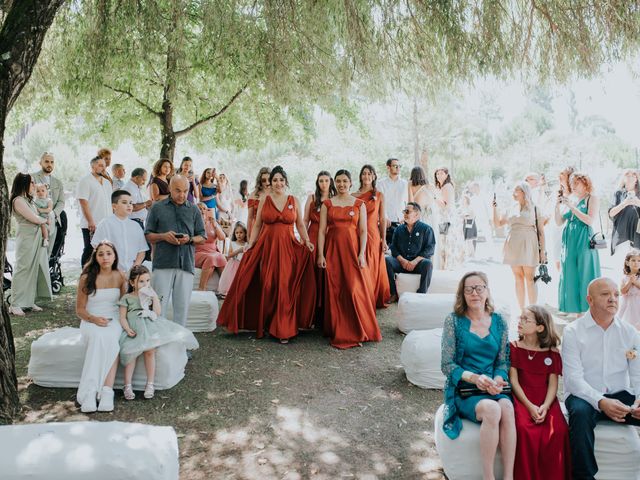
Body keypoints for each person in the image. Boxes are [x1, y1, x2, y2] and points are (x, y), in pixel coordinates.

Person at [218, 166, 315, 343]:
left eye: (281, 180)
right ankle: (266, 322)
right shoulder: (265, 199)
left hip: (287, 247)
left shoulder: (294, 200)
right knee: (268, 284)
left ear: (286, 182)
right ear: (271, 182)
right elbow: (257, 225)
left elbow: (300, 224)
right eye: (275, 180)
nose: (278, 183)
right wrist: (250, 243)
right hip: (267, 246)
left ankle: (282, 329)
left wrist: (307, 240)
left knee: (284, 285)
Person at [440, 271, 515, 480]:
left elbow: (503, 361)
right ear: (462, 294)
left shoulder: (499, 321)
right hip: (466, 388)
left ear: (487, 291)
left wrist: (499, 379)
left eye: (479, 287)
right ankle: (488, 477)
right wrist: (474, 378)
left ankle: (509, 476)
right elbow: (447, 364)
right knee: (492, 410)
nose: (475, 293)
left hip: (493, 385)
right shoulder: (453, 321)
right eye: (469, 289)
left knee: (507, 408)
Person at [563, 277, 640, 479]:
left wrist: (639, 399)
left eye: (615, 294)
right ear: (590, 299)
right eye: (605, 294)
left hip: (622, 396)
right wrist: (601, 401)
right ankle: (584, 477)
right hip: (585, 396)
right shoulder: (573, 331)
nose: (613, 299)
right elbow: (573, 379)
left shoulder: (630, 333)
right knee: (579, 414)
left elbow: (637, 373)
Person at [317, 169, 382, 349]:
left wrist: (362, 253)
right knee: (336, 290)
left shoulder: (359, 204)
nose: (341, 184)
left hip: (352, 251)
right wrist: (321, 254)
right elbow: (322, 231)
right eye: (338, 181)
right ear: (334, 183)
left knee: (353, 289)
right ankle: (338, 329)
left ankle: (358, 329)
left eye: (345, 181)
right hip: (333, 251)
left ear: (351, 183)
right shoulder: (327, 204)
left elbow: (363, 231)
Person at [118, 265, 198, 401]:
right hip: (134, 329)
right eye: (141, 281)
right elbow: (122, 317)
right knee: (131, 353)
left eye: (148, 281)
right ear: (132, 282)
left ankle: (150, 384)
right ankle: (127, 385)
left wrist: (154, 297)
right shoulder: (127, 298)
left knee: (150, 351)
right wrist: (127, 329)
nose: (146, 284)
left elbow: (157, 313)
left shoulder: (150, 294)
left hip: (149, 326)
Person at [509, 305, 570, 480]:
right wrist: (529, 407)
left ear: (540, 327)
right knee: (524, 430)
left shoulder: (552, 353)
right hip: (522, 398)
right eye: (520, 318)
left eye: (525, 319)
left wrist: (545, 405)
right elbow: (514, 381)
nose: (520, 322)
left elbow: (553, 385)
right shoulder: (513, 347)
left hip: (546, 399)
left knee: (559, 430)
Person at [145, 175, 206, 328]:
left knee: (182, 308)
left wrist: (190, 239)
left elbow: (203, 236)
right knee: (159, 307)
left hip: (185, 263)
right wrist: (163, 236)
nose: (182, 195)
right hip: (163, 263)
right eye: (178, 191)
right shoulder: (157, 207)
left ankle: (179, 346)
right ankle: (159, 345)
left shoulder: (193, 209)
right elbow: (148, 235)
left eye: (186, 191)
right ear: (170, 189)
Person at [75, 241, 127, 413]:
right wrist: (93, 319)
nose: (105, 257)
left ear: (115, 256)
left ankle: (107, 390)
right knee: (98, 337)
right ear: (95, 257)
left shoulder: (120, 276)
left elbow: (124, 304)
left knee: (111, 337)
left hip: (113, 319)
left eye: (109, 253)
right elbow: (80, 310)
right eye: (101, 254)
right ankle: (90, 391)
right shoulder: (86, 278)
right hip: (90, 319)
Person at [492, 182, 546, 310]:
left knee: (530, 278)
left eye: (517, 190)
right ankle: (522, 310)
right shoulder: (511, 207)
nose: (514, 193)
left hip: (529, 244)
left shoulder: (535, 208)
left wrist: (542, 251)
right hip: (513, 244)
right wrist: (494, 208)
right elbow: (498, 224)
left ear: (524, 192)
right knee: (518, 278)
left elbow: (541, 231)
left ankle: (532, 310)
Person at [556, 172, 601, 314]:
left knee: (585, 272)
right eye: (572, 183)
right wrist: (557, 206)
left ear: (585, 183)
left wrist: (572, 207)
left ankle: (588, 310)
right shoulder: (572, 199)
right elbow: (559, 222)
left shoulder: (591, 198)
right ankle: (575, 311)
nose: (573, 186)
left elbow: (589, 220)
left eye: (576, 183)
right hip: (569, 240)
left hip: (584, 239)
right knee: (569, 273)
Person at [8, 173, 52, 316]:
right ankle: (15, 303)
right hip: (26, 238)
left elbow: (40, 215)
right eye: (32, 183)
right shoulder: (18, 200)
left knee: (33, 269)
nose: (34, 185)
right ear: (23, 184)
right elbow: (33, 218)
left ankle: (28, 301)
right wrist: (44, 221)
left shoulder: (30, 200)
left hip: (36, 237)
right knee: (23, 268)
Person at [385, 202, 436, 303]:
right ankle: (393, 293)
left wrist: (415, 261)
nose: (405, 213)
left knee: (428, 264)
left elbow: (430, 249)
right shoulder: (398, 229)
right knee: (387, 261)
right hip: (401, 263)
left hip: (417, 264)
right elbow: (393, 247)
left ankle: (422, 294)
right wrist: (402, 260)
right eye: (404, 211)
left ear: (417, 214)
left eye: (408, 211)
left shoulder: (426, 229)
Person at [355, 165, 390, 308]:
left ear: (374, 176)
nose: (367, 176)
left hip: (373, 233)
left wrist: (384, 239)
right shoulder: (353, 196)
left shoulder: (379, 195)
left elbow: (382, 219)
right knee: (360, 264)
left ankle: (372, 296)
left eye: (370, 173)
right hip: (356, 233)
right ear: (360, 176)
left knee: (373, 265)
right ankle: (361, 296)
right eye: (364, 174)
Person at [91, 190, 149, 272]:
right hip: (111, 271)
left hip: (131, 272)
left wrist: (134, 268)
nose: (129, 205)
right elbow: (97, 247)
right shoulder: (105, 224)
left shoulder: (136, 226)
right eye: (124, 202)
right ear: (114, 206)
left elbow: (142, 250)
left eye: (131, 203)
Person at [77, 156, 113, 266]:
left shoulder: (107, 183)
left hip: (106, 223)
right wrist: (90, 221)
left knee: (104, 251)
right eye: (100, 165)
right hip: (92, 224)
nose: (104, 168)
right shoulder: (85, 181)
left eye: (105, 165)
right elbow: (83, 202)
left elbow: (110, 203)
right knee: (89, 251)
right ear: (93, 166)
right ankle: (85, 278)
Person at [31, 152, 65, 256]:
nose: (49, 164)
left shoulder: (58, 182)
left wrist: (53, 213)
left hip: (53, 220)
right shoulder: (32, 177)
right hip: (36, 220)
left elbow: (61, 202)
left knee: (49, 251)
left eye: (52, 162)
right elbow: (29, 198)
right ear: (40, 163)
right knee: (37, 251)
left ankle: (47, 271)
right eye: (46, 161)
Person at [434, 166, 464, 270]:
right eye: (437, 173)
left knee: (446, 239)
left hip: (447, 217)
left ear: (446, 175)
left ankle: (447, 264)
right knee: (443, 239)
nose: (439, 175)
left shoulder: (447, 186)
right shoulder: (440, 186)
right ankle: (443, 264)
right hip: (442, 216)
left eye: (441, 173)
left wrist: (434, 198)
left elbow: (445, 205)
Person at [194, 202, 227, 291]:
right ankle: (202, 288)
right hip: (197, 253)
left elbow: (222, 237)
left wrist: (215, 224)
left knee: (221, 257)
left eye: (204, 209)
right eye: (199, 208)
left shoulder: (212, 222)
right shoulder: (192, 222)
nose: (202, 211)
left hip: (212, 252)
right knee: (211, 258)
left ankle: (224, 289)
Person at [608, 169, 640, 255]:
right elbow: (611, 213)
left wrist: (638, 203)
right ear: (623, 178)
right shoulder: (618, 194)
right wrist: (624, 203)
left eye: (633, 175)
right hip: (622, 238)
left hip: (638, 238)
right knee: (620, 266)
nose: (630, 177)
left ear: (637, 179)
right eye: (627, 175)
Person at [377, 158, 408, 246]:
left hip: (402, 222)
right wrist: (385, 217)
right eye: (395, 166)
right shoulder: (381, 184)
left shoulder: (405, 184)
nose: (398, 168)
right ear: (388, 167)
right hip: (387, 222)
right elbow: (379, 203)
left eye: (399, 166)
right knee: (387, 252)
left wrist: (405, 216)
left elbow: (407, 202)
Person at [550, 167, 575, 272]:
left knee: (567, 265)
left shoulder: (575, 195)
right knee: (557, 262)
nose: (560, 176)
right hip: (556, 230)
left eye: (563, 174)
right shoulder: (557, 193)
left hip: (569, 232)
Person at [217, 222, 248, 298]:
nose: (239, 235)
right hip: (234, 265)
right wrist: (238, 251)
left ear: (245, 233)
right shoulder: (233, 243)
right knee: (231, 279)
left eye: (241, 232)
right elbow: (229, 255)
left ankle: (239, 293)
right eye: (237, 233)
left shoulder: (247, 244)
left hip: (242, 265)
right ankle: (228, 292)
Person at [619, 249, 640, 330]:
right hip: (628, 305)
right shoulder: (625, 278)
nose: (636, 263)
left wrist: (635, 282)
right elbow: (622, 291)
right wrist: (629, 282)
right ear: (627, 263)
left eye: (639, 261)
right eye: (633, 260)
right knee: (628, 324)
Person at [247, 167, 270, 237]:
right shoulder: (253, 195)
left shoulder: (276, 194)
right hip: (256, 229)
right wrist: (248, 235)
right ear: (260, 181)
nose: (267, 183)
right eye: (264, 180)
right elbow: (250, 217)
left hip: (271, 229)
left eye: (269, 179)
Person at [34, 183, 52, 248]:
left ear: (46, 192)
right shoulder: (35, 201)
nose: (40, 192)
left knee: (43, 225)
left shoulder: (48, 200)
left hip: (45, 216)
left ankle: (45, 239)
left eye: (43, 191)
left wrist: (42, 210)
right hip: (38, 216)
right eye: (38, 191)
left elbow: (50, 209)